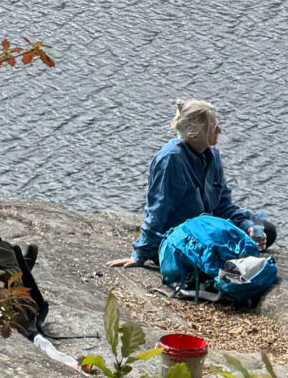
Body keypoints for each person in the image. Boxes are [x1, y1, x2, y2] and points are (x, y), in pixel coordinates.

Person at [108, 98, 276, 268]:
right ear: (194, 133)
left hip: (206, 229)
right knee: (229, 250)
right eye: (212, 127)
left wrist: (248, 226)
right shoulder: (170, 161)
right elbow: (157, 211)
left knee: (265, 229)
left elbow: (222, 206)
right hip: (180, 239)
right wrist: (140, 255)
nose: (219, 130)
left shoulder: (212, 156)